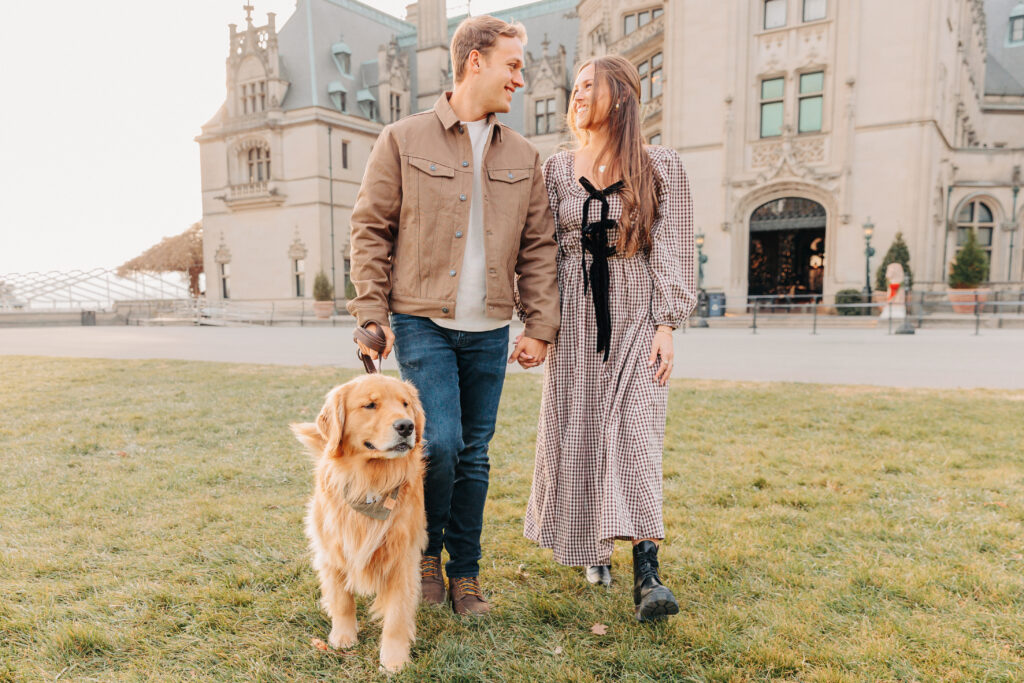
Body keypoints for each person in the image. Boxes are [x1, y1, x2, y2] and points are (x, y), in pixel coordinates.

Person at [347, 15, 559, 616]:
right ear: (474, 61)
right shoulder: (402, 138)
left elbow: (539, 246)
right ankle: (423, 556)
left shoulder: (524, 153)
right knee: (437, 442)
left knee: (474, 453)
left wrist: (540, 325)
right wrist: (371, 311)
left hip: (490, 329)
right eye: (512, 65)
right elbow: (370, 228)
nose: (519, 78)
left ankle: (465, 575)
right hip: (422, 323)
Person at [523, 55, 696, 622]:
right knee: (582, 434)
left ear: (619, 96)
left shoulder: (661, 167)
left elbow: (671, 248)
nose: (576, 96)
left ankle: (648, 572)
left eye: (587, 86)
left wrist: (666, 324)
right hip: (575, 319)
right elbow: (541, 254)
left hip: (637, 316)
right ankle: (592, 548)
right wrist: (540, 327)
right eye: (573, 88)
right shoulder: (555, 170)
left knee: (636, 436)